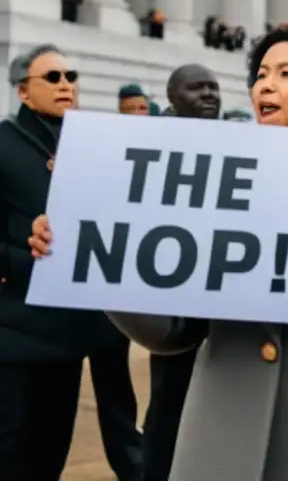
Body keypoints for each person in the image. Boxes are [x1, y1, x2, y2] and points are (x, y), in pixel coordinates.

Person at [30, 25, 288, 481]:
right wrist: (93, 261)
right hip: (220, 430)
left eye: (286, 73)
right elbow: (175, 331)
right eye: (261, 74)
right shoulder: (211, 176)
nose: (266, 85)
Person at [0, 46, 141, 481]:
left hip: (69, 336)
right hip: (15, 330)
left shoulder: (90, 143)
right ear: (24, 92)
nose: (67, 85)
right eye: (54, 77)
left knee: (50, 449)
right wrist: (23, 258)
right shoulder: (4, 142)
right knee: (10, 448)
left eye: (71, 75)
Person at [140, 64, 222, 481]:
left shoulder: (241, 145)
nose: (209, 94)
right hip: (172, 305)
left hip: (226, 304)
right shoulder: (147, 146)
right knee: (171, 403)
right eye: (197, 88)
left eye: (214, 87)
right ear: (172, 96)